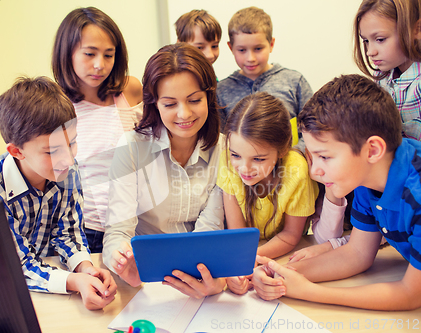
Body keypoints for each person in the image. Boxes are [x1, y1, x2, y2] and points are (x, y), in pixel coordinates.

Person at [252, 74, 421, 311]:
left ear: (372, 150)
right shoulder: (366, 178)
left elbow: (410, 294)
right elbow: (357, 254)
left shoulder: (416, 193)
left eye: (325, 157)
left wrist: (311, 292)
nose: (314, 172)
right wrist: (280, 274)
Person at [0, 76, 117, 311]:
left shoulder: (66, 168)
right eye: (51, 151)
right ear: (17, 151)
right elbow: (16, 265)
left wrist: (85, 268)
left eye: (72, 142)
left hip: (48, 283)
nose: (68, 158)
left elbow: (68, 233)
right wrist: (74, 281)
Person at [102, 43, 226, 298]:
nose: (184, 114)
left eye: (194, 100)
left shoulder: (224, 148)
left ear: (209, 97)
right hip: (145, 278)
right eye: (170, 104)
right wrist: (119, 258)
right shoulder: (132, 147)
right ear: (154, 103)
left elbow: (210, 227)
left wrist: (211, 277)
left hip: (200, 272)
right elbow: (118, 230)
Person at [52, 7, 143, 253]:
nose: (99, 65)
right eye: (89, 54)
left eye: (109, 55)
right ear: (66, 52)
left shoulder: (130, 90)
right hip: (84, 226)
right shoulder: (56, 103)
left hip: (133, 222)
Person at [217, 93, 318, 294]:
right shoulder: (227, 162)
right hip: (249, 252)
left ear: (281, 151)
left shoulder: (296, 169)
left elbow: (291, 235)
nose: (244, 168)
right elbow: (238, 234)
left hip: (283, 255)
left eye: (258, 159)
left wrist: (251, 259)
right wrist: (240, 267)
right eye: (236, 155)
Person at [216, 6, 312, 146]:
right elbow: (221, 141)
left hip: (290, 165)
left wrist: (297, 155)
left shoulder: (294, 81)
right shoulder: (221, 91)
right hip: (241, 167)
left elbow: (313, 129)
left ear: (271, 44)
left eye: (258, 49)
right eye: (242, 50)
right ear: (231, 48)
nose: (251, 58)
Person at [354, 0, 421, 141]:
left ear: (417, 30)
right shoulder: (381, 77)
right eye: (366, 41)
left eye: (380, 39)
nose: (370, 52)